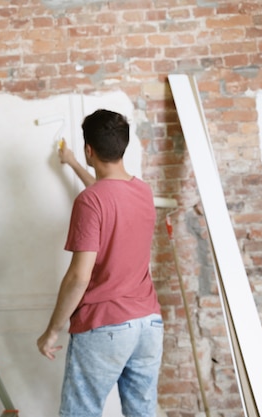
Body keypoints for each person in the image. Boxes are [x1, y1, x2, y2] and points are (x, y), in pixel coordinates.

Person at [37, 109, 163, 417]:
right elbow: (107, 191)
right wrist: (74, 164)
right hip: (148, 324)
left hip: (106, 325)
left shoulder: (90, 201)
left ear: (89, 149)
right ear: (123, 145)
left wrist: (53, 330)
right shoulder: (142, 191)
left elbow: (79, 277)